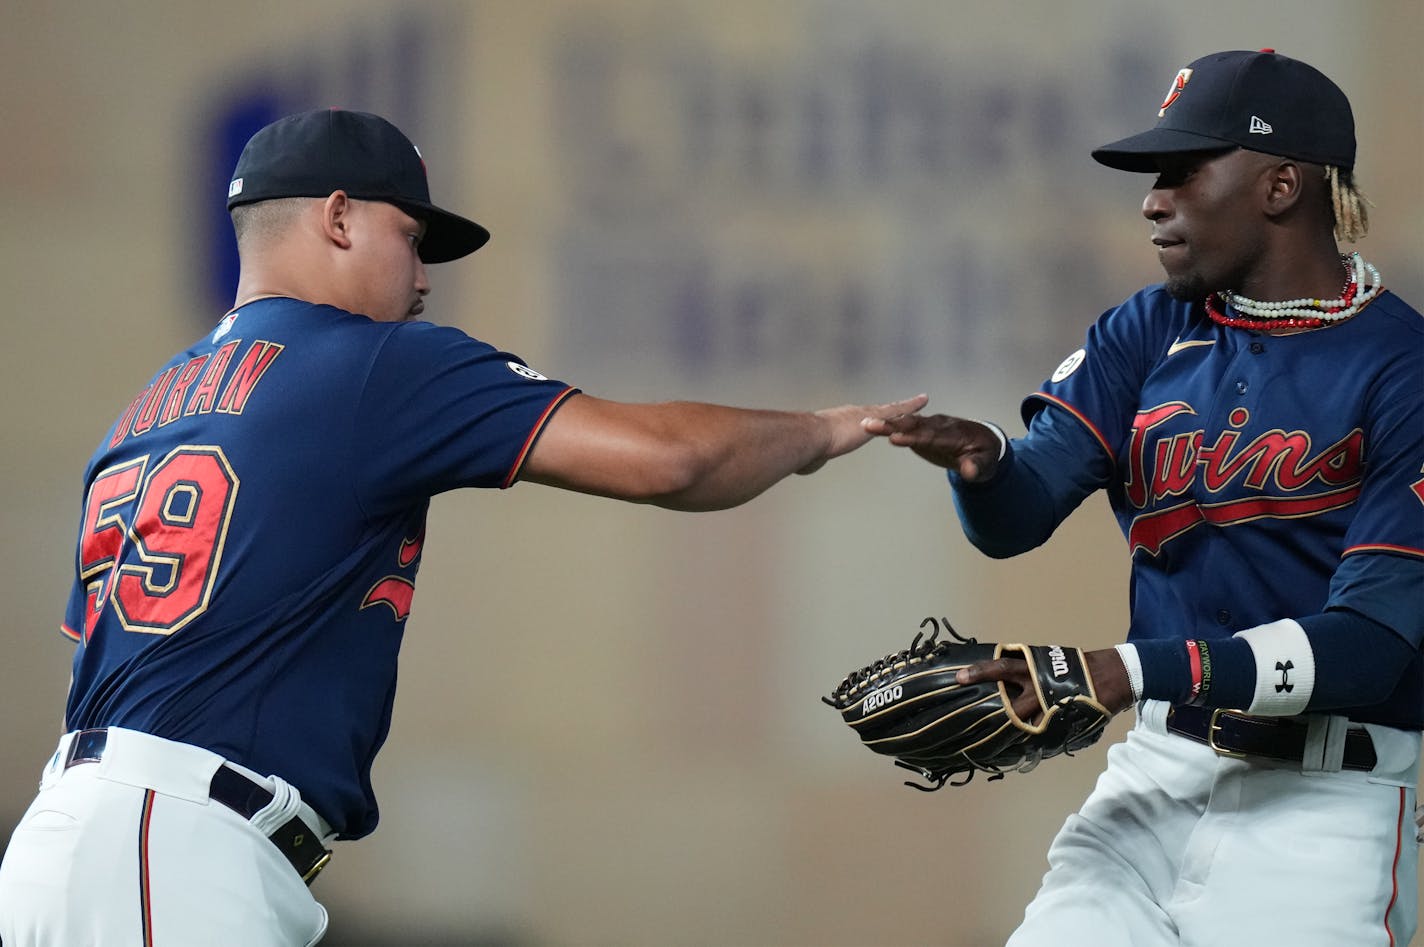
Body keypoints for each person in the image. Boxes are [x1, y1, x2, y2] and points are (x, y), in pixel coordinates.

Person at [0, 108, 926, 946]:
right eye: (410, 236)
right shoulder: (370, 364)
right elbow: (669, 459)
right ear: (337, 217)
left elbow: (95, 645)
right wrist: (820, 430)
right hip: (176, 849)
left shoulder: (145, 410)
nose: (423, 278)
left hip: (69, 840)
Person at [865, 49, 1423, 946]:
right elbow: (1020, 515)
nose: (1153, 198)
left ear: (1280, 185)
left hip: (1326, 808)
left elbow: (1371, 647)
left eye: (1182, 169)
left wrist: (1129, 667)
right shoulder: (1151, 326)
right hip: (1156, 776)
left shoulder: (1404, 370)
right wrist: (983, 467)